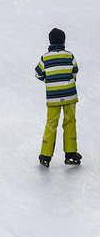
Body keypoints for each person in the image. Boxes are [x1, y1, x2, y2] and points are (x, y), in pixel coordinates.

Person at [36, 28, 80, 167]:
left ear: (50, 41)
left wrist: (50, 81)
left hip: (53, 97)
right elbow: (75, 71)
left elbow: (38, 74)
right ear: (64, 40)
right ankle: (70, 153)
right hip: (69, 96)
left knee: (51, 123)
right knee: (70, 122)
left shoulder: (45, 58)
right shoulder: (69, 55)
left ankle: (45, 155)